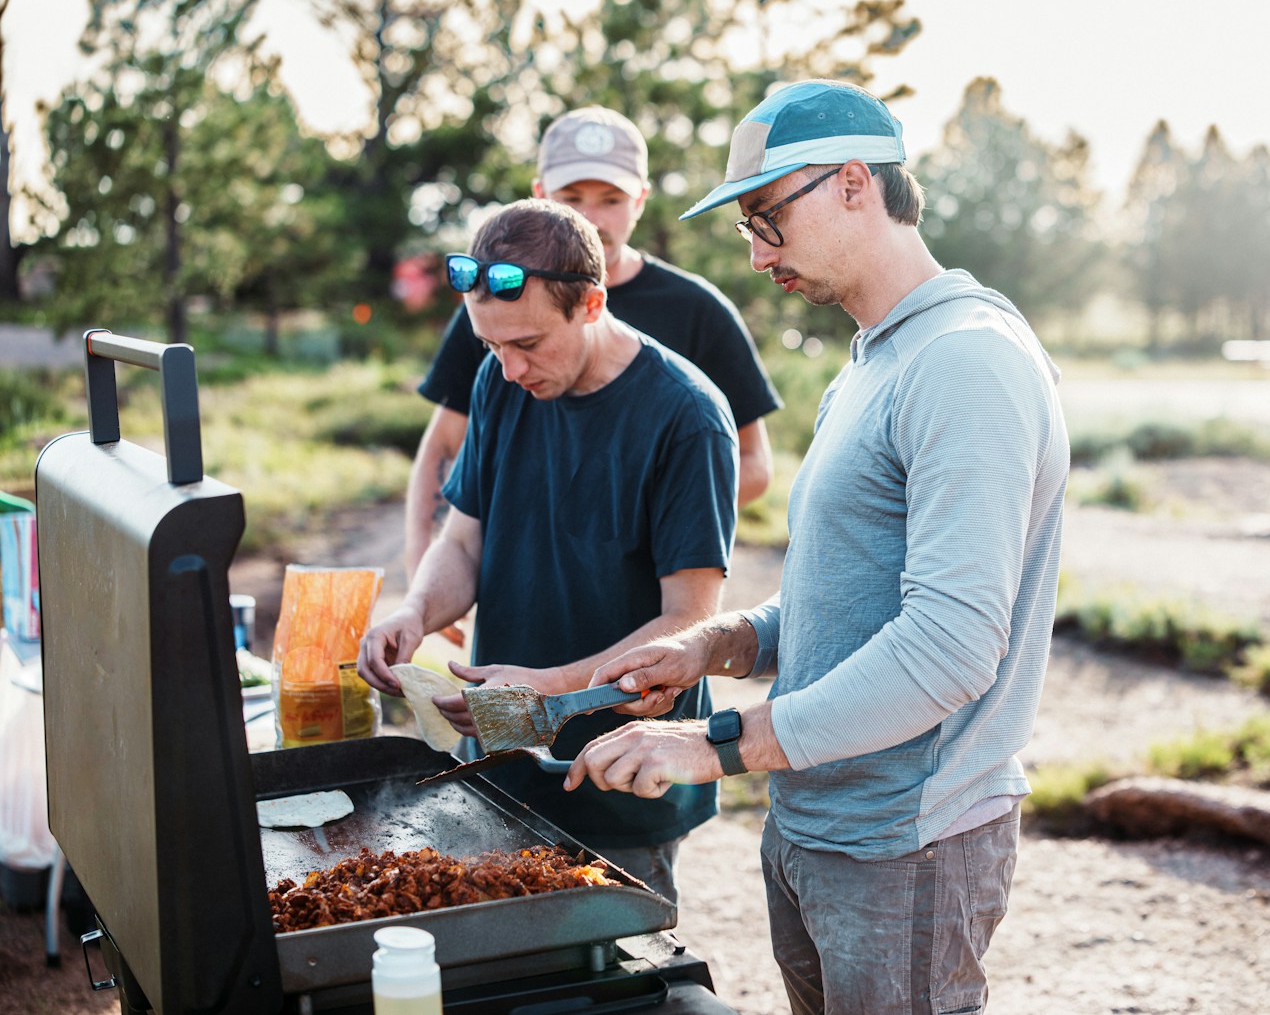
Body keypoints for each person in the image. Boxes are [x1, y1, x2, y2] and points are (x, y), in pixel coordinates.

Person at [564, 80, 1071, 1014]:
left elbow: (951, 646)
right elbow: (850, 597)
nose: (757, 256)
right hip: (819, 821)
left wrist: (717, 744)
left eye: (767, 219)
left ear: (851, 184)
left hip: (904, 843)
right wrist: (719, 644)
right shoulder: (877, 358)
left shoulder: (966, 359)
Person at [359, 199, 739, 904]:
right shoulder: (498, 382)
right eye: (491, 346)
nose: (507, 369)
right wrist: (414, 611)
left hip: (619, 781)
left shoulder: (688, 417)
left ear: (591, 303)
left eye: (527, 344)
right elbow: (464, 538)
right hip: (496, 767)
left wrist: (553, 684)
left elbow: (688, 621)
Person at [405, 106, 782, 583]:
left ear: (641, 200)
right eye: (570, 197)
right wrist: (422, 570)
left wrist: (643, 515)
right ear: (540, 196)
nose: (590, 217)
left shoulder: (698, 310)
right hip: (519, 591)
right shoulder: (495, 300)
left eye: (611, 199)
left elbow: (754, 464)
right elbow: (444, 445)